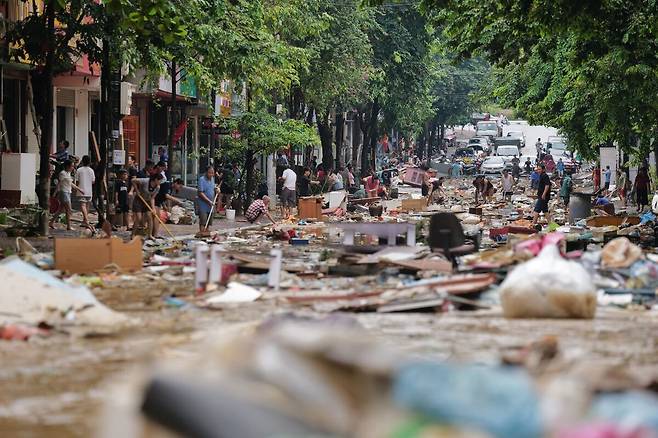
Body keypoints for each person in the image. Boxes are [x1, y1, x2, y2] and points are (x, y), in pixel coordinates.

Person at [49, 160, 82, 230]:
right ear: (67, 166)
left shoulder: (68, 173)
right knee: (68, 209)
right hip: (63, 192)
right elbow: (59, 183)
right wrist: (55, 194)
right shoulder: (62, 173)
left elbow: (71, 184)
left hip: (68, 192)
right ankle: (69, 226)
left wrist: (79, 189)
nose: (73, 167)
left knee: (61, 210)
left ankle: (51, 222)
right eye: (72, 166)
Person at [132, 173, 163, 238]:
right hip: (139, 200)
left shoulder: (158, 187)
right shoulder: (145, 181)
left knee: (150, 217)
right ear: (156, 179)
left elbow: (152, 198)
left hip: (148, 201)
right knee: (139, 217)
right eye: (160, 180)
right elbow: (133, 180)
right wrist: (136, 190)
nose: (161, 182)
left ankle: (150, 235)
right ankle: (133, 234)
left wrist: (153, 208)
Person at [75, 155, 96, 232]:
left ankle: (86, 220)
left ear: (82, 161)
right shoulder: (91, 170)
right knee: (87, 205)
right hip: (89, 190)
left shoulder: (79, 170)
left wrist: (77, 188)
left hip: (81, 189)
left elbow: (77, 181)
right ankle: (84, 221)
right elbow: (93, 181)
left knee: (83, 205)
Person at [197, 166, 218, 232]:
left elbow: (213, 187)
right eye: (210, 173)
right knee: (203, 221)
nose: (211, 174)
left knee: (209, 222)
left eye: (212, 173)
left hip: (210, 205)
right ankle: (202, 234)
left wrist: (217, 189)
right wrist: (208, 201)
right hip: (203, 205)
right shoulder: (202, 179)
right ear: (206, 172)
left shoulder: (212, 179)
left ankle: (206, 234)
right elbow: (200, 193)